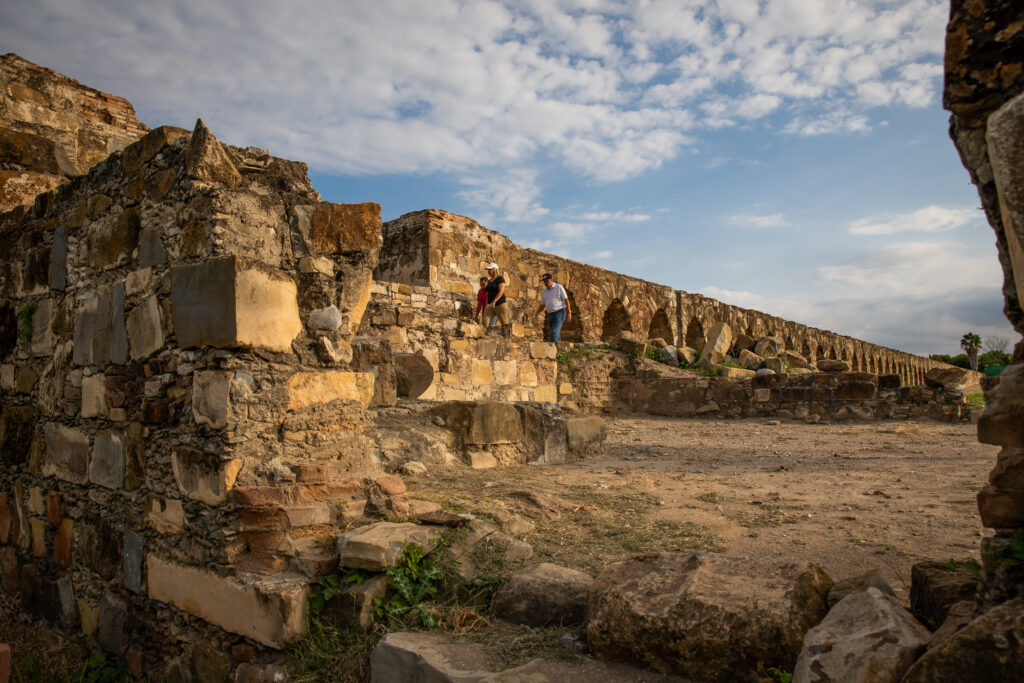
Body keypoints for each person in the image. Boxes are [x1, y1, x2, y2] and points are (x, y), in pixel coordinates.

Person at [535, 272, 571, 342]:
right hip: (550, 314)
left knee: (554, 332)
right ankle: (560, 350)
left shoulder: (558, 287)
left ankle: (552, 350)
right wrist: (537, 312)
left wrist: (569, 312)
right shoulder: (544, 291)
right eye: (544, 281)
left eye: (547, 281)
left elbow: (566, 300)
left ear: (551, 279)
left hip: (559, 313)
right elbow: (543, 304)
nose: (545, 283)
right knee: (556, 333)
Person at [483, 262, 511, 336]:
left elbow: (501, 290)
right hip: (490, 305)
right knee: (485, 321)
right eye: (488, 270)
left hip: (500, 304)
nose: (488, 271)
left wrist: (494, 301)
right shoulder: (489, 281)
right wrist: (488, 304)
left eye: (490, 269)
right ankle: (485, 337)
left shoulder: (500, 279)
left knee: (505, 324)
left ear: (494, 270)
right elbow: (488, 293)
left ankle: (507, 340)